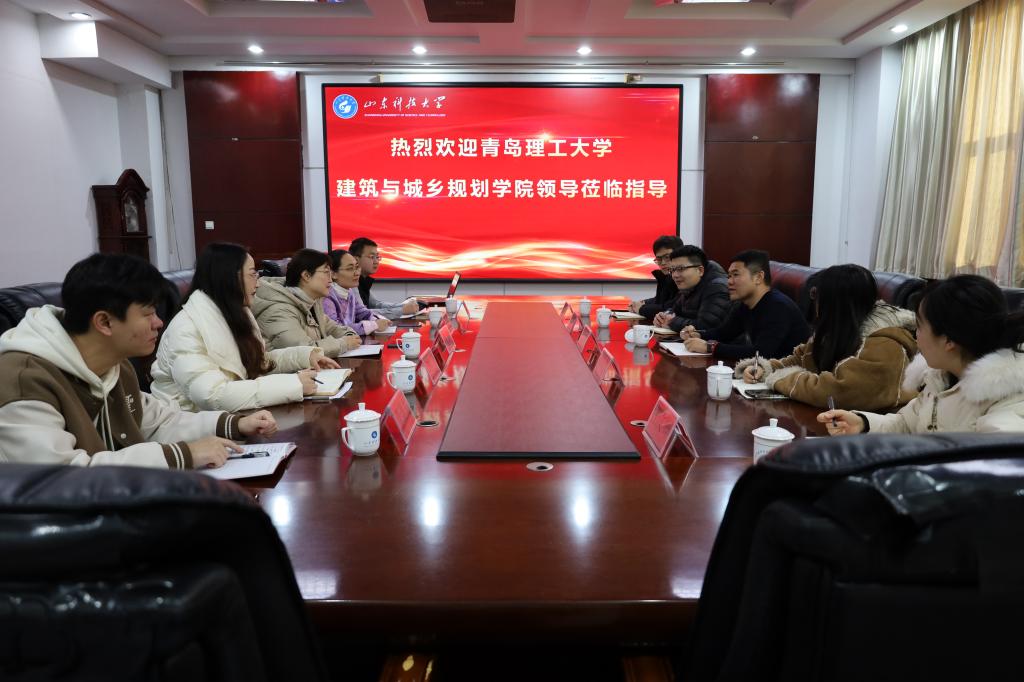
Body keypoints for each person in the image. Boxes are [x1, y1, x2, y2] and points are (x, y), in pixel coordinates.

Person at [0, 253, 277, 469]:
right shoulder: (25, 379)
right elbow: (60, 478)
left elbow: (157, 422)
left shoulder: (114, 365)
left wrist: (235, 424)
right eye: (147, 314)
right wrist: (181, 455)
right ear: (104, 322)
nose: (158, 323)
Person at [819, 274, 1024, 434]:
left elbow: (997, 466)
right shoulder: (940, 378)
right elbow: (906, 424)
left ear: (949, 341)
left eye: (919, 326)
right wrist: (863, 423)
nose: (915, 335)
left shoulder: (1007, 400)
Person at [151, 243, 340, 412]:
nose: (258, 281)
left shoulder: (237, 312)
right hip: (189, 426)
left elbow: (259, 362)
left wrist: (305, 356)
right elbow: (212, 395)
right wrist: (293, 385)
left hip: (232, 417)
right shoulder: (186, 328)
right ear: (229, 278)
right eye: (252, 274)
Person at [736, 264, 918, 410]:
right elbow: (801, 359)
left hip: (876, 437)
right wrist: (764, 369)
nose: (814, 301)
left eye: (816, 294)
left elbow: (838, 392)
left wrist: (780, 379)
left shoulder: (884, 344)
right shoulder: (835, 331)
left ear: (834, 303)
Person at [681, 250, 810, 360]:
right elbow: (724, 333)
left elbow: (761, 353)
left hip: (789, 375)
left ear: (758, 277)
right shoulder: (746, 304)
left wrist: (710, 347)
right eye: (729, 276)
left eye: (735, 275)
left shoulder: (778, 307)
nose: (729, 281)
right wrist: (698, 334)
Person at [252, 249, 361, 357]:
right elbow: (304, 351)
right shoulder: (278, 309)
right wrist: (344, 343)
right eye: (326, 272)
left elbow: (334, 328)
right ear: (306, 276)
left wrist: (350, 336)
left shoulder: (311, 302)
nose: (331, 280)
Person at [631, 236, 727, 318]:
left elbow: (671, 306)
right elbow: (669, 306)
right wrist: (643, 303)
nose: (663, 263)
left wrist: (642, 309)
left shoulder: (713, 285)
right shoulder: (670, 275)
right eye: (659, 259)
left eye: (667, 257)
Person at [652, 245, 731, 333]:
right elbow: (675, 310)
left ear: (700, 270)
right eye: (672, 270)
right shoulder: (689, 286)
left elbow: (706, 326)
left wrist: (672, 321)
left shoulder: (717, 288)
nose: (675, 275)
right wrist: (663, 316)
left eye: (680, 269)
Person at [323, 249, 390, 335]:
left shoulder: (349, 291)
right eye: (350, 269)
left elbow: (362, 312)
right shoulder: (327, 296)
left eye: (357, 267)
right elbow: (336, 329)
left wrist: (378, 319)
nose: (357, 273)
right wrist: (373, 325)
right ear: (333, 274)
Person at [349, 237, 419, 318]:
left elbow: (375, 305)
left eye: (377, 257)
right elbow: (362, 314)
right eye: (372, 257)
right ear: (356, 260)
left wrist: (403, 306)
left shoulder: (363, 280)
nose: (376, 261)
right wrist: (401, 310)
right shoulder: (350, 281)